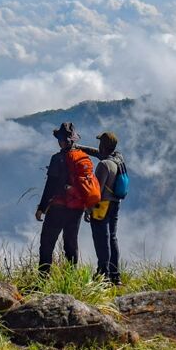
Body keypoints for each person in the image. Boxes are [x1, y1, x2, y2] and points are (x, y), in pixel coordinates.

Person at [36, 122, 99, 274]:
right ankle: (71, 277)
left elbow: (50, 186)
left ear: (61, 140)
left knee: (47, 243)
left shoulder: (57, 159)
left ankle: (42, 279)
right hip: (76, 208)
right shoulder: (83, 157)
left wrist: (41, 208)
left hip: (58, 208)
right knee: (71, 244)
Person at [79, 132, 125, 285]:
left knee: (101, 239)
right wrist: (79, 147)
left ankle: (102, 274)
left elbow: (95, 190)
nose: (98, 147)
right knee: (112, 237)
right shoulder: (118, 159)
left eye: (100, 144)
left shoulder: (103, 165)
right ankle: (115, 275)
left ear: (103, 146)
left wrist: (88, 210)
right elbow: (97, 153)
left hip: (101, 205)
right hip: (115, 203)